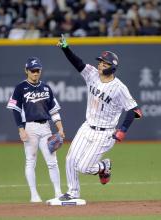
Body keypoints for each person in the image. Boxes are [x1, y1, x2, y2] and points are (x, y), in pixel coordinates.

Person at [57, 35, 142, 201]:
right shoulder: (92, 74)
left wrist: (122, 130)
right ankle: (73, 192)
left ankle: (104, 166)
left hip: (105, 133)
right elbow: (78, 63)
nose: (101, 64)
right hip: (87, 126)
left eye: (105, 63)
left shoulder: (119, 88)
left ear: (113, 67)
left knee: (83, 167)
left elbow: (134, 110)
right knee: (70, 159)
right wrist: (65, 48)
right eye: (100, 61)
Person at [7, 57, 65, 203]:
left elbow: (54, 111)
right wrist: (21, 129)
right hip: (30, 127)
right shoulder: (20, 88)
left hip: (46, 127)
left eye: (37, 70)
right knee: (30, 161)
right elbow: (15, 109)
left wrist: (60, 128)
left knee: (52, 162)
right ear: (26, 71)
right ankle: (34, 195)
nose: (35, 73)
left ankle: (58, 192)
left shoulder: (46, 88)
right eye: (32, 70)